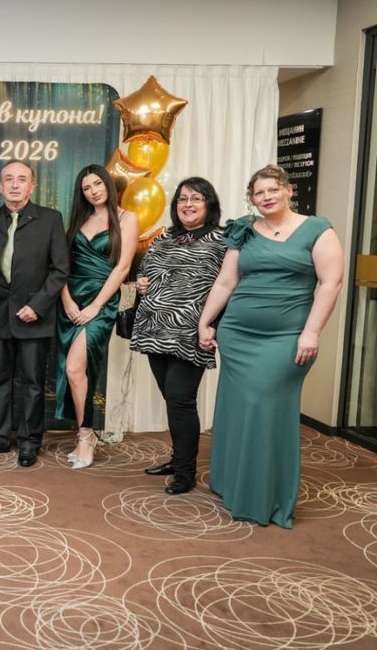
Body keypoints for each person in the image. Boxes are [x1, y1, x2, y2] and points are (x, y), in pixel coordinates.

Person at [198, 165, 343, 527]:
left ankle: (263, 496)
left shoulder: (317, 230)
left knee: (264, 408)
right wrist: (205, 321)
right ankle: (231, 483)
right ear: (252, 198)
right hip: (237, 334)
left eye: (272, 190)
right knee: (238, 408)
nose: (266, 197)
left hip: (287, 337)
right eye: (258, 193)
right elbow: (226, 282)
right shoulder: (244, 230)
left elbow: (331, 283)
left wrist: (311, 332)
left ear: (289, 191)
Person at [131, 178, 226, 494]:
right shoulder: (165, 237)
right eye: (183, 199)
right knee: (173, 400)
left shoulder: (222, 240)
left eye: (196, 198)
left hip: (191, 333)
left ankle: (185, 472)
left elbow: (229, 286)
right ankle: (178, 458)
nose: (188, 204)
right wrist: (141, 283)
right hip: (155, 330)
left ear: (209, 204)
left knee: (181, 400)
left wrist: (213, 324)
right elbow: (145, 271)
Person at [0, 161, 69, 467]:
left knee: (33, 383)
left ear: (32, 186)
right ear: (0, 186)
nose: (15, 184)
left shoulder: (50, 219)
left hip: (34, 316)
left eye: (22, 179)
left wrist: (37, 306)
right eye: (9, 179)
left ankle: (29, 441)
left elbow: (60, 269)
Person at [55, 164, 138, 469]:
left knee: (75, 368)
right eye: (86, 187)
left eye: (98, 184)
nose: (93, 191)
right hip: (71, 301)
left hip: (100, 303)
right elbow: (61, 265)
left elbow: (122, 268)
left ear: (108, 184)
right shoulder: (79, 219)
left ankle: (85, 434)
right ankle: (85, 432)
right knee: (73, 371)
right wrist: (66, 300)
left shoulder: (127, 218)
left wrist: (96, 306)